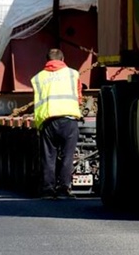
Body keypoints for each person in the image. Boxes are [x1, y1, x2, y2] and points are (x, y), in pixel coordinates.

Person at [31, 48, 82, 198]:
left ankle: (48, 190)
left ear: (47, 60)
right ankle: (63, 189)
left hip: (48, 121)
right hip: (69, 120)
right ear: (63, 59)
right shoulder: (73, 74)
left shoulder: (38, 78)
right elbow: (79, 96)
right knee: (67, 156)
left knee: (48, 157)